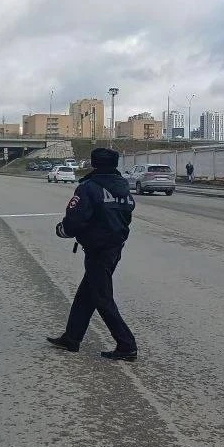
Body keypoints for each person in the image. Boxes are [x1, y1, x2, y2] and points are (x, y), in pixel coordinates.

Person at [47, 147, 138, 361]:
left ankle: (127, 345)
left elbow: (75, 219)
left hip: (98, 249)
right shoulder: (123, 187)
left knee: (101, 297)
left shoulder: (89, 187)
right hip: (115, 246)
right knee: (86, 294)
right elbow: (127, 215)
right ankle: (72, 338)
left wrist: (63, 230)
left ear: (94, 163)